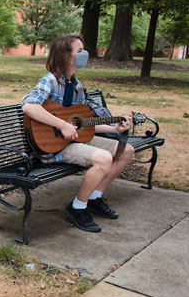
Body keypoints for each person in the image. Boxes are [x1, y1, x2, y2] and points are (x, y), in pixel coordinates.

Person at [22, 34, 133, 233]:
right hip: (53, 146)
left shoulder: (76, 85)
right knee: (104, 159)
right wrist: (61, 125)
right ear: (66, 56)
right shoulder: (49, 81)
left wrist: (114, 128)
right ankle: (77, 208)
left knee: (126, 150)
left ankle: (94, 198)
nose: (85, 54)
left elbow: (83, 124)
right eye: (80, 51)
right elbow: (29, 107)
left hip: (73, 140)